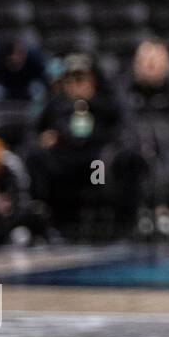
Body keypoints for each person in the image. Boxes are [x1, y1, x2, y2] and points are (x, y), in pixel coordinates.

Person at [25, 54, 142, 233]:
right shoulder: (57, 104)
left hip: (97, 160)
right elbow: (34, 131)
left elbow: (123, 129)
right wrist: (44, 138)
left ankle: (108, 217)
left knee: (105, 169)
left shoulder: (106, 103)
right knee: (37, 158)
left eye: (82, 78)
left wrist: (90, 101)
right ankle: (45, 217)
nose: (77, 84)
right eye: (72, 79)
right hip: (64, 160)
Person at [119, 38, 169, 237]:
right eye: (145, 60)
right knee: (126, 157)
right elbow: (122, 122)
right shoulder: (125, 87)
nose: (150, 65)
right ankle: (140, 212)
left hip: (168, 146)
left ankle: (163, 210)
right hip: (134, 148)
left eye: (155, 60)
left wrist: (165, 140)